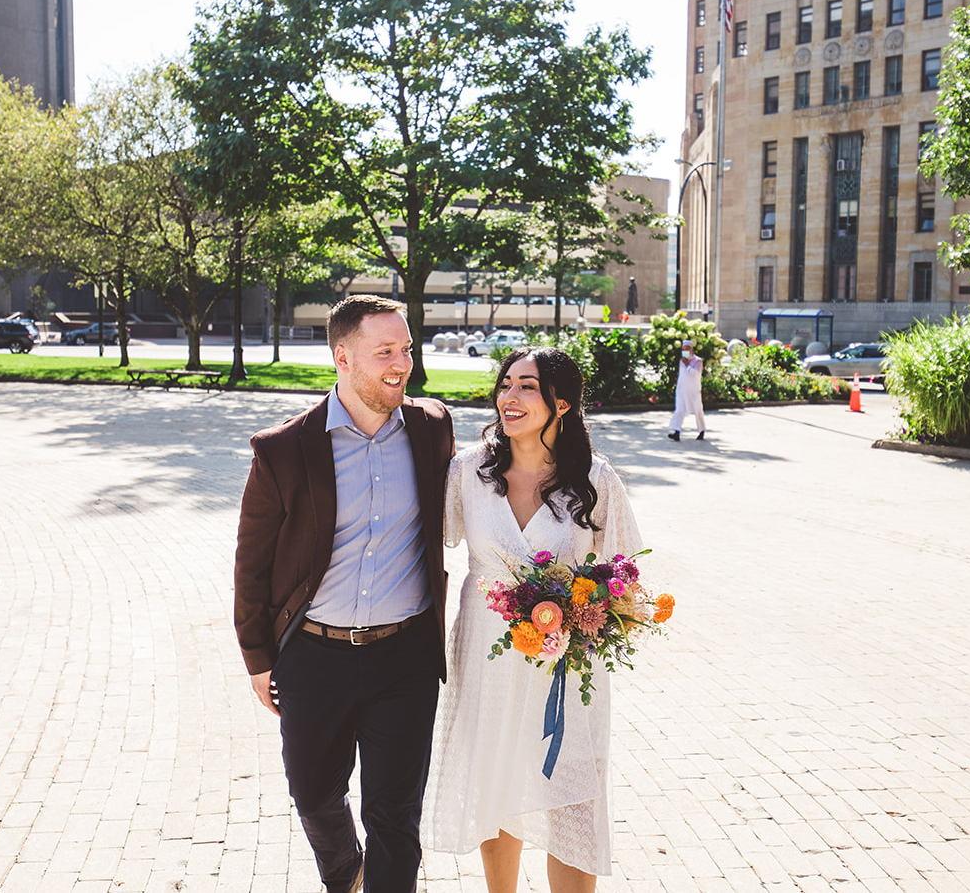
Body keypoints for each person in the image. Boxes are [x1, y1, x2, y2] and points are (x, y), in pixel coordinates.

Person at [234, 295, 454, 893]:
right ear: (343, 357)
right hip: (313, 654)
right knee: (312, 793)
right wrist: (258, 658)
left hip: (404, 655)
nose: (401, 364)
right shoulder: (283, 449)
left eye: (406, 349)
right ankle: (346, 874)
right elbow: (252, 564)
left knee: (396, 814)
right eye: (385, 352)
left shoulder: (432, 428)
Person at [426, 347, 645, 890]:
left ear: (561, 403)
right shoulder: (468, 472)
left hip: (566, 665)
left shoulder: (594, 479)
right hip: (487, 655)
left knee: (572, 798)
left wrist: (586, 610)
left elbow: (627, 576)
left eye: (527, 386)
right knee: (495, 785)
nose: (510, 396)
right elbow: (424, 545)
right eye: (506, 384)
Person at [667, 338, 706, 441]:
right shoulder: (682, 361)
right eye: (683, 349)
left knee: (698, 411)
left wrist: (687, 364)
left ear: (691, 349)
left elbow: (696, 374)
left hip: (694, 391)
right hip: (682, 390)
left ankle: (701, 431)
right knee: (679, 410)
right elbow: (682, 376)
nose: (685, 351)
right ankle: (676, 432)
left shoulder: (698, 361)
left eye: (687, 349)